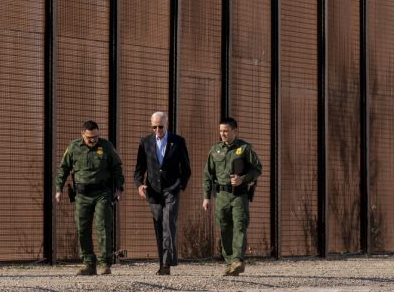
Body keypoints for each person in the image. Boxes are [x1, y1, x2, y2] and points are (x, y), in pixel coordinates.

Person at [55, 120, 124, 276]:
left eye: (95, 137)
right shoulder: (73, 147)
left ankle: (105, 263)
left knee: (103, 226)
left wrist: (119, 188)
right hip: (82, 195)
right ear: (82, 135)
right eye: (89, 137)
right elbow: (63, 169)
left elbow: (117, 167)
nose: (93, 140)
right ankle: (89, 264)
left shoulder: (106, 146)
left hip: (102, 193)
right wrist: (58, 189)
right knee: (82, 229)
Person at [202, 117, 262, 276]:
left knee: (239, 225)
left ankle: (237, 260)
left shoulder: (244, 148)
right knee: (224, 228)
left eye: (226, 131)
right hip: (221, 196)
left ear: (234, 131)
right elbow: (208, 175)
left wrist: (243, 179)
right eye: (221, 131)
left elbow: (257, 169)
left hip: (239, 195)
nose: (223, 134)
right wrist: (206, 197)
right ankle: (230, 262)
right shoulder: (215, 150)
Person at [133, 111, 191, 275]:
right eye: (154, 127)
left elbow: (186, 168)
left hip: (172, 189)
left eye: (160, 126)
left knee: (168, 222)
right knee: (158, 223)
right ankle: (162, 261)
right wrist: (139, 185)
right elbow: (139, 169)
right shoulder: (145, 142)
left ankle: (166, 264)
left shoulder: (178, 142)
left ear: (166, 125)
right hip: (153, 191)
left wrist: (180, 186)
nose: (157, 130)